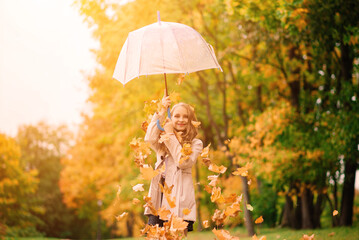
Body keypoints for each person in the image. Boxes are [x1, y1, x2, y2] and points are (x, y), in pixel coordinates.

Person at [144, 93, 203, 234]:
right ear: (172, 118)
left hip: (179, 201)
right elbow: (150, 137)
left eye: (185, 116)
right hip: (159, 198)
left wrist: (170, 135)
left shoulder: (196, 143)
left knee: (176, 237)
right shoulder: (163, 140)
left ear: (190, 120)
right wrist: (162, 110)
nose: (181, 120)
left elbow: (183, 162)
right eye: (176, 116)